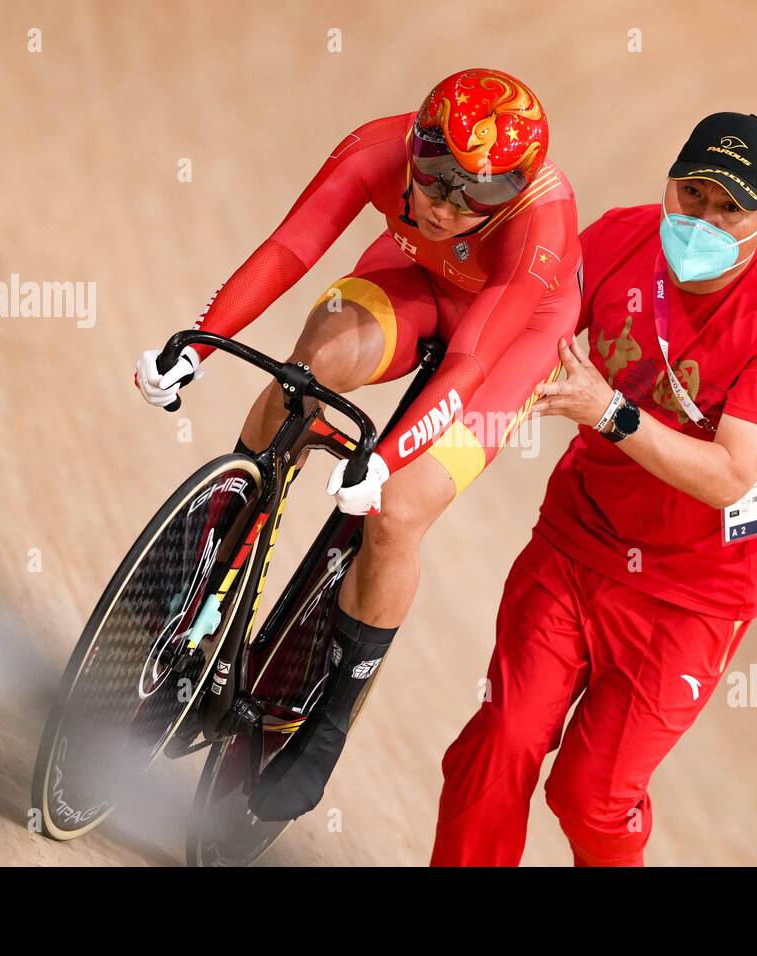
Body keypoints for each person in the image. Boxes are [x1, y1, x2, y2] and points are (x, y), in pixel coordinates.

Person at [133, 68, 581, 821]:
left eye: (481, 195)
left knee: (399, 508)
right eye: (436, 177)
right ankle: (212, 570)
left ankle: (327, 727)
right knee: (305, 375)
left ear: (517, 191)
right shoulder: (375, 148)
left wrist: (388, 457)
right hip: (411, 278)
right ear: (414, 146)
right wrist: (200, 347)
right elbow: (288, 250)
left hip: (513, 339)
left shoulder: (541, 229)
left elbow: (472, 362)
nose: (446, 205)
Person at [431, 112, 757, 866]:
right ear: (669, 184)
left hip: (694, 593)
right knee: (500, 740)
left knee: (590, 796)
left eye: (730, 208)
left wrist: (609, 414)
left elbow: (732, 477)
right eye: (692, 194)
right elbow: (529, 325)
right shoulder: (622, 237)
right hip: (578, 540)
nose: (704, 219)